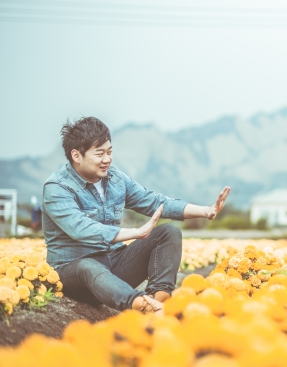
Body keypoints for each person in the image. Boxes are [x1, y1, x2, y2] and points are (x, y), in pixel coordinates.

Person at [42, 117, 231, 314]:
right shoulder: (57, 188)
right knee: (87, 266)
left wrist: (206, 210)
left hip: (113, 265)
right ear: (76, 155)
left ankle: (158, 302)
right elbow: (80, 228)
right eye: (100, 154)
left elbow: (154, 201)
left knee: (168, 233)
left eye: (109, 152)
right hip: (74, 272)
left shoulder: (115, 178)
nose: (107, 159)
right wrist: (135, 232)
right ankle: (142, 304)